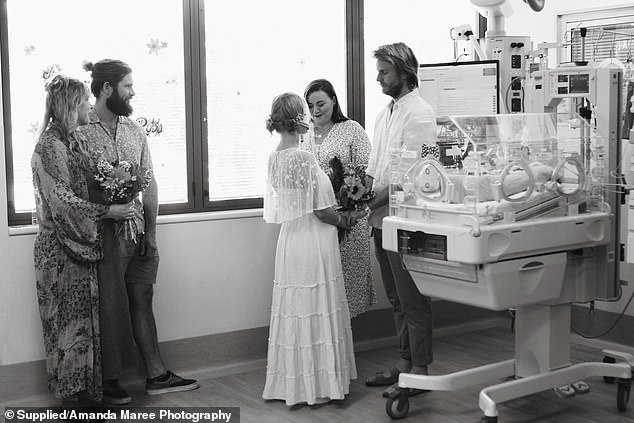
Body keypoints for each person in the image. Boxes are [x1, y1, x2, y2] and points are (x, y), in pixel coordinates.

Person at [78, 59, 199, 404]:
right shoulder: (81, 130)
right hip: (103, 237)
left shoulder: (134, 130)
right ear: (106, 89)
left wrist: (151, 233)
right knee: (110, 306)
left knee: (143, 300)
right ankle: (110, 379)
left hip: (139, 233)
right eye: (128, 86)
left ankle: (157, 374)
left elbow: (150, 182)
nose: (133, 92)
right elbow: (76, 188)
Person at [31, 75, 135, 404]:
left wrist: (120, 179)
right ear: (70, 106)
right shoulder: (49, 147)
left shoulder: (74, 141)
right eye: (84, 102)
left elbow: (96, 175)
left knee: (86, 329)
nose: (90, 105)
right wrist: (107, 212)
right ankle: (73, 400)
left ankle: (86, 396)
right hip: (59, 253)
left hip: (80, 251)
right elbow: (62, 201)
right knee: (66, 328)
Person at [261, 92, 359, 406]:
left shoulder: (274, 156)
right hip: (313, 239)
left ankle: (298, 382)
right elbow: (319, 210)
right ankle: (321, 383)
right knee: (316, 303)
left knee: (297, 309)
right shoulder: (302, 157)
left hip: (291, 239)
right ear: (298, 118)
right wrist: (346, 220)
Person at [363, 43, 438, 399]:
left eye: (383, 72)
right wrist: (360, 195)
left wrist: (362, 203)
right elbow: (377, 169)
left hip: (406, 221)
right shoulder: (385, 114)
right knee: (395, 297)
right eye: (378, 71)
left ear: (404, 73)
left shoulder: (420, 114)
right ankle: (406, 363)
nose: (377, 77)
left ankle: (420, 368)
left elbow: (411, 175)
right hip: (381, 220)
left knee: (412, 298)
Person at [301, 79, 376, 318]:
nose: (316, 111)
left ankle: (344, 347)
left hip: (349, 218)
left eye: (321, 103)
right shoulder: (304, 134)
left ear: (334, 100)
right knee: (320, 288)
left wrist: (353, 207)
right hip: (317, 218)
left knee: (345, 286)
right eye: (310, 105)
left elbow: (367, 173)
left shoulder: (352, 129)